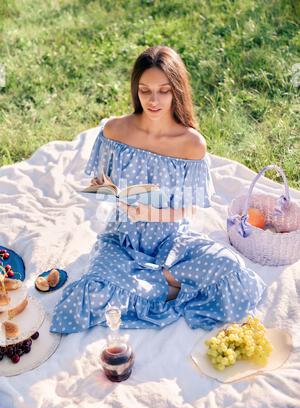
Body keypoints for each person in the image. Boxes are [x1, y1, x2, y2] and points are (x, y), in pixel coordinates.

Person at [50, 46, 266, 334]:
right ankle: (169, 284)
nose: (153, 100)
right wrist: (106, 190)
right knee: (91, 293)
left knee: (230, 272)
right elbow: (104, 181)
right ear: (135, 90)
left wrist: (153, 213)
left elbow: (188, 207)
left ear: (176, 90)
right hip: (123, 239)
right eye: (145, 90)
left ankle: (161, 281)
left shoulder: (191, 143)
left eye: (164, 91)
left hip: (172, 240)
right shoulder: (115, 131)